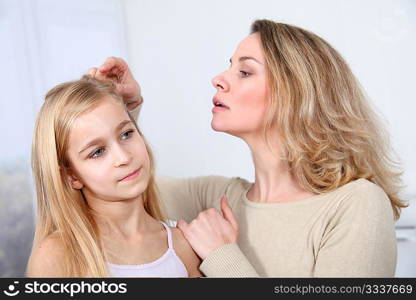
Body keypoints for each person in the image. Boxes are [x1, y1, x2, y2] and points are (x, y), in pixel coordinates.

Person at [88, 19, 407, 277]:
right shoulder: (217, 198)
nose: (218, 79)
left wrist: (220, 256)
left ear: (294, 95)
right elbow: (113, 182)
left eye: (245, 71)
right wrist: (124, 110)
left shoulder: (357, 204)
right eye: (229, 67)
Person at [26, 76, 202, 277]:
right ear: (71, 176)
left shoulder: (183, 247)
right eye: (97, 152)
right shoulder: (57, 257)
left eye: (126, 134)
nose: (124, 157)